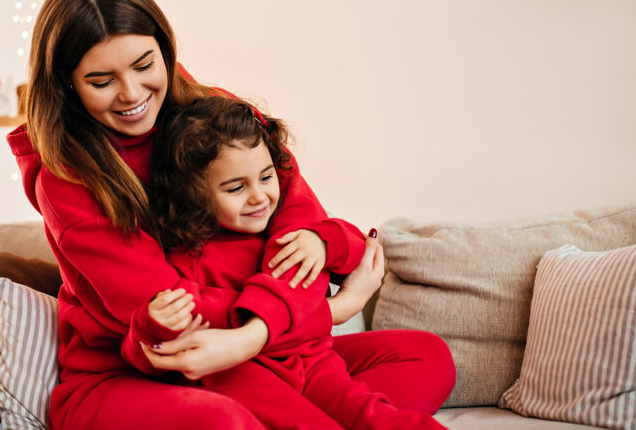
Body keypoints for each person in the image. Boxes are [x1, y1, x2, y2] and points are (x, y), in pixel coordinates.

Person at [8, 0, 455, 429]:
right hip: (137, 374)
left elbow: (300, 228)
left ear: (165, 48)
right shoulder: (67, 177)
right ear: (67, 84)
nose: (132, 93)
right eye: (102, 81)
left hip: (262, 348)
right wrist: (331, 311)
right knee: (223, 420)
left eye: (144, 65)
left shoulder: (216, 114)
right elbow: (170, 310)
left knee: (425, 357)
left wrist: (255, 334)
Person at [141, 96, 446, 429]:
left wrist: (323, 242)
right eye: (236, 188)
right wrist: (151, 323)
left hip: (311, 361)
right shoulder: (189, 256)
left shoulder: (283, 230)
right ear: (194, 196)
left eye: (266, 178)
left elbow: (359, 250)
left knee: (373, 410)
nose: (259, 196)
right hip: (245, 374)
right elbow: (170, 339)